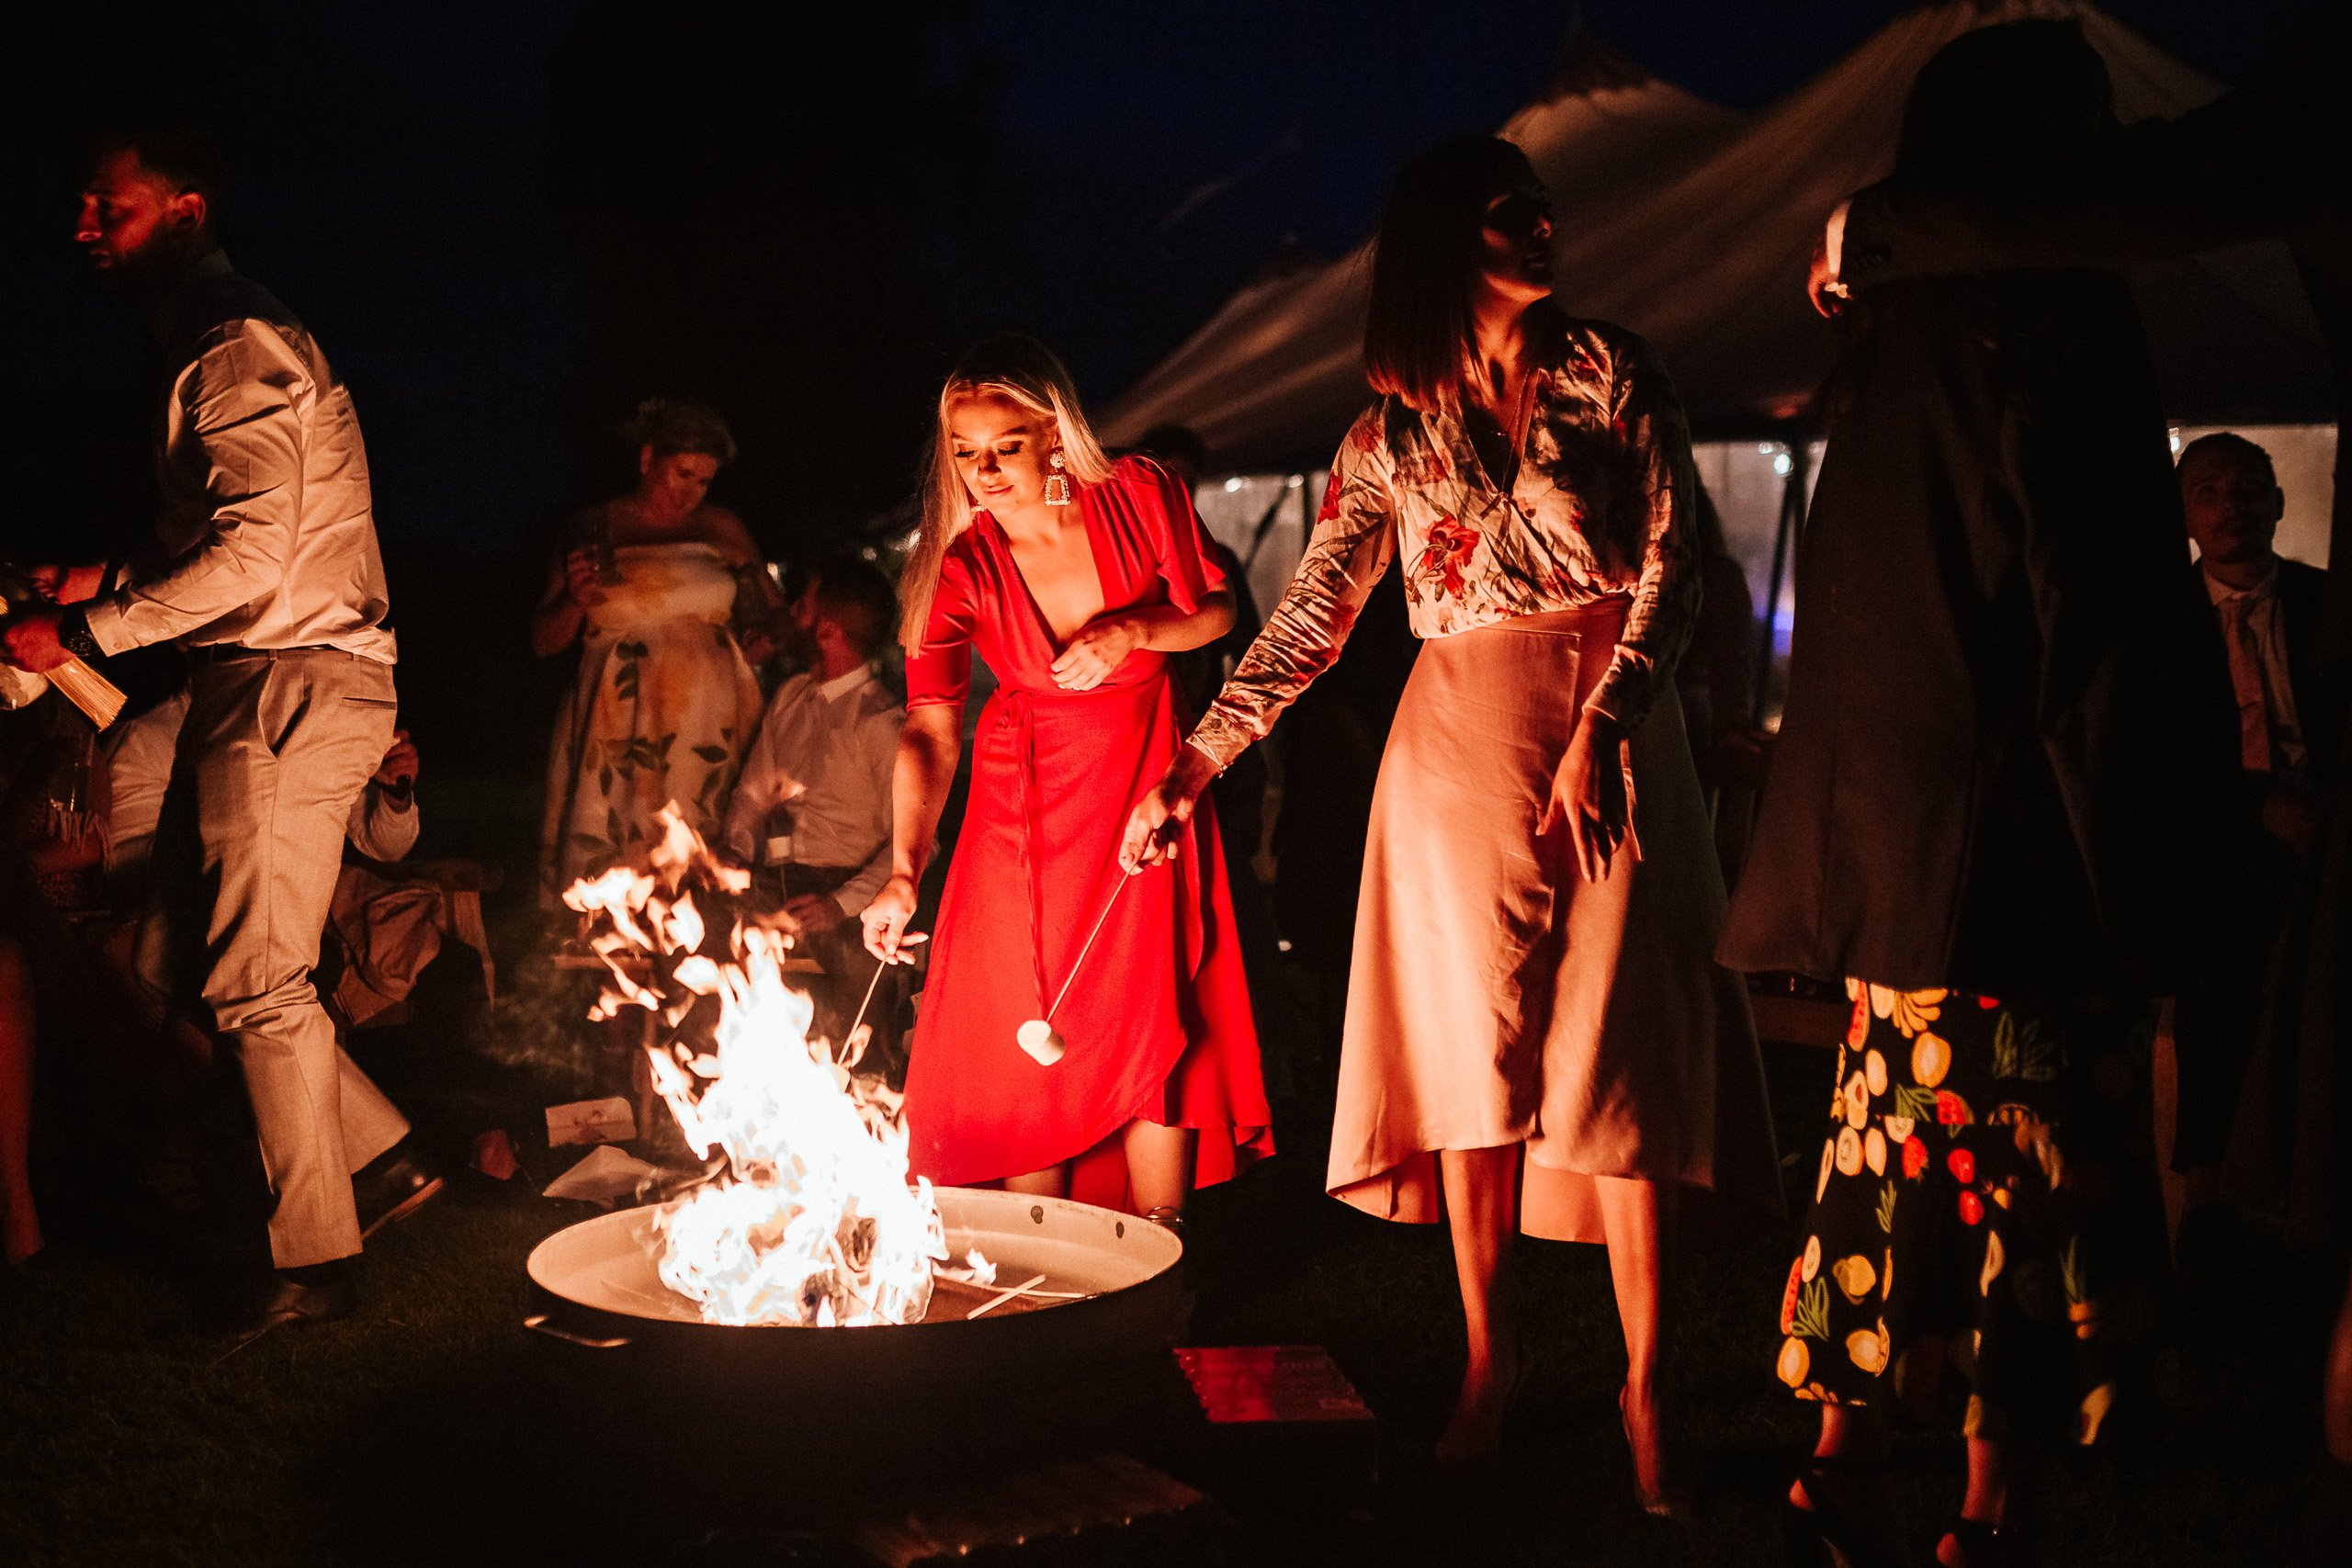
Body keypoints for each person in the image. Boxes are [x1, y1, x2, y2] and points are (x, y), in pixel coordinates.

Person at [1123, 135, 1780, 1497]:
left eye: (1541, 205)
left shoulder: (1610, 370)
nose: (1540, 225)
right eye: (1504, 212)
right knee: (1474, 1054)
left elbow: (1675, 557)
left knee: (1626, 1046)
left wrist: (1609, 720)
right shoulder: (1387, 432)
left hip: (1607, 718)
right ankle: (1493, 1359)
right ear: (1439, 241)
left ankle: (1646, 1381)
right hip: (1455, 744)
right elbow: (1315, 610)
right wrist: (1201, 756)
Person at [1718, 26, 2240, 1565]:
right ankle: (1991, 1487)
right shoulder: (2058, 309)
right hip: (2014, 831)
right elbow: (2085, 585)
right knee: (2021, 1151)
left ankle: (1847, 1440)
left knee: (1891, 1130)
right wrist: (2128, 822)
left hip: (1896, 840)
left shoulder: (1888, 320)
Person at [0, 119, 412, 1338]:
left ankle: (314, 1260)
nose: (82, 227)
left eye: (107, 207)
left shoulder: (235, 344)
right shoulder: (209, 342)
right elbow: (224, 534)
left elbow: (252, 557)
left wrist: (81, 640)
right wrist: (96, 579)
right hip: (263, 675)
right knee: (199, 957)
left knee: (253, 975)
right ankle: (369, 1162)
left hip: (291, 673)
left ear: (184, 210)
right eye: (80, 206)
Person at [861, 334, 1272, 1226]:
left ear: (1052, 432)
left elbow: (1216, 611)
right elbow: (929, 731)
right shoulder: (956, 567)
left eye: (1004, 446)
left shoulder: (1136, 492)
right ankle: (1040, 1264)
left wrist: (1133, 634)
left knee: (1146, 1005)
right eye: (964, 452)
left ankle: (1158, 1260)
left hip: (1141, 779)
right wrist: (903, 870)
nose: (985, 471)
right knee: (1028, 1025)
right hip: (1021, 807)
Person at [2170, 434, 2342, 1259]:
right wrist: (2260, 806)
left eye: (2247, 487)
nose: (2232, 503)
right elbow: (2161, 753)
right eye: (2209, 490)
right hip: (2214, 843)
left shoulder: (2324, 604)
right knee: (2218, 957)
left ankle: (2308, 1181)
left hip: (2325, 830)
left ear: (2277, 501)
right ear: (2186, 515)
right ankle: (2209, 1188)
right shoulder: (2163, 622)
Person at [534, 399, 768, 900]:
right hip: (617, 715)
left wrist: (762, 638)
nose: (691, 493)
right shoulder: (594, 527)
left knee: (701, 846)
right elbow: (544, 641)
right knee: (614, 848)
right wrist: (575, 602)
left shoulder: (722, 528)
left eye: (703, 481)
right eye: (682, 474)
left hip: (708, 718)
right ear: (646, 460)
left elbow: (773, 616)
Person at [723, 557, 906, 1068]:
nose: (792, 616)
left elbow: (915, 841)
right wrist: (735, 849)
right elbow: (753, 794)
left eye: (804, 609)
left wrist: (841, 904)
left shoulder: (881, 722)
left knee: (845, 1054)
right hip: (774, 891)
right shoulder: (792, 697)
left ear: (827, 631)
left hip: (848, 907)